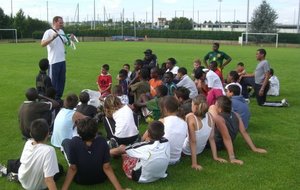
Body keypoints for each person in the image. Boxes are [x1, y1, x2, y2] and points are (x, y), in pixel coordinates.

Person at [61, 118, 127, 190]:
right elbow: (106, 167)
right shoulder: (102, 142)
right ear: (96, 132)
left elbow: (73, 168)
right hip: (101, 178)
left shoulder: (74, 142)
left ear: (79, 133)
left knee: (65, 142)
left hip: (80, 180)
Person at [209, 96, 267, 164]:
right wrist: (254, 148)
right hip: (226, 141)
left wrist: (232, 158)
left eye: (216, 105)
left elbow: (226, 138)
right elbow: (244, 132)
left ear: (220, 108)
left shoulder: (219, 118)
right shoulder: (236, 115)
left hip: (218, 144)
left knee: (211, 108)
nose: (215, 106)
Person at [182, 95, 227, 170]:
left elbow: (192, 141)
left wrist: (194, 163)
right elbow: (212, 138)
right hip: (200, 150)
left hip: (185, 151)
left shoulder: (190, 117)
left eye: (192, 105)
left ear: (195, 107)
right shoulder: (210, 116)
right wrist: (215, 157)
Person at [18, 119, 59, 190]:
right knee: (59, 169)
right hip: (36, 186)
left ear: (31, 134)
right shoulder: (49, 150)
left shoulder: (28, 143)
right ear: (47, 134)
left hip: (23, 179)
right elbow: (48, 179)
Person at [41, 16, 73, 100]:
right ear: (55, 22)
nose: (62, 24)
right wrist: (52, 38)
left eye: (62, 22)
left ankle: (58, 98)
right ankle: (51, 99)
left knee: (61, 81)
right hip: (53, 62)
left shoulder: (61, 31)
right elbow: (42, 44)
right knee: (53, 82)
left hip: (62, 61)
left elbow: (67, 43)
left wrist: (70, 39)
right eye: (60, 22)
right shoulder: (48, 32)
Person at [159, 96, 188, 164]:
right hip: (176, 158)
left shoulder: (162, 121)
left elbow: (147, 136)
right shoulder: (184, 123)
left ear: (165, 109)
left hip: (162, 158)